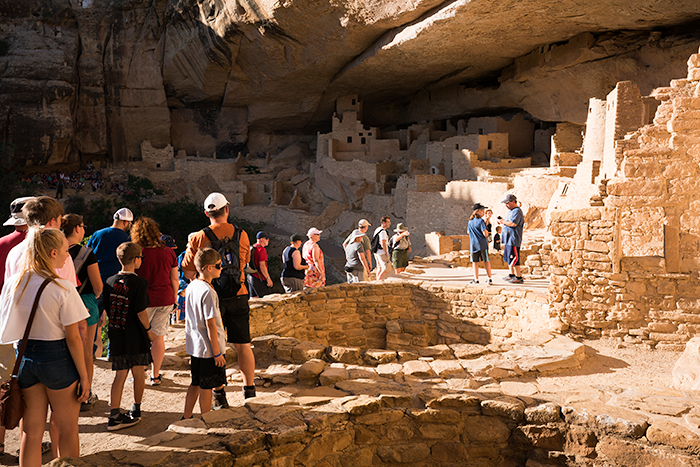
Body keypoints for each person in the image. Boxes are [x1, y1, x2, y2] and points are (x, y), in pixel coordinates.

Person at [0, 228, 90, 467]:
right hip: (57, 359)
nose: (66, 256)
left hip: (26, 358)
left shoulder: (13, 284)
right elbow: (73, 337)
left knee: (31, 431)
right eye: (64, 251)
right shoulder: (63, 288)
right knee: (67, 428)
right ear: (52, 253)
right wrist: (84, 375)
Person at [181, 192, 255, 406]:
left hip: (213, 296)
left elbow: (187, 266)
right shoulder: (242, 234)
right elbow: (246, 261)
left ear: (207, 213)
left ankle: (219, 394)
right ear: (227, 210)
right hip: (239, 293)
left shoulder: (198, 237)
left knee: (217, 346)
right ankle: (249, 389)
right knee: (243, 345)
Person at [105, 242, 156, 430]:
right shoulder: (140, 283)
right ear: (136, 260)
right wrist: (149, 330)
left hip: (117, 333)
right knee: (138, 372)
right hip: (135, 334)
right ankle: (136, 409)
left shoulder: (109, 281)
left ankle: (114, 414)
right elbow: (141, 311)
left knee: (120, 375)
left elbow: (107, 309)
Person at [0, 196, 32, 454]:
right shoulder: (39, 245)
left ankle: (0, 443)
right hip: (31, 321)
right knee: (28, 384)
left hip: (3, 318)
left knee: (3, 382)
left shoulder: (2, 244)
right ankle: (27, 444)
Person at [62, 214, 103, 410]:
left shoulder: (53, 251)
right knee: (86, 351)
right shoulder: (87, 254)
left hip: (58, 302)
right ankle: (85, 394)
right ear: (77, 228)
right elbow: (97, 286)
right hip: (85, 302)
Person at [132, 218, 178, 386]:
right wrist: (173, 298)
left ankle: (140, 373)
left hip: (142, 300)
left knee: (140, 336)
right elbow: (174, 278)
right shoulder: (168, 252)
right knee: (158, 338)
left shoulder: (137, 252)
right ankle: (155, 375)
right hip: (164, 298)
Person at [182, 248, 227, 419]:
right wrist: (217, 352)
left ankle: (186, 416)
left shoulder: (192, 285)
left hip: (196, 347)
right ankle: (206, 419)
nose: (221, 268)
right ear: (208, 268)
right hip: (208, 349)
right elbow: (211, 325)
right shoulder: (209, 292)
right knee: (207, 386)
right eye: (218, 265)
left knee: (195, 383)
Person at [86, 207, 133, 316]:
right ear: (126, 222)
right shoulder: (127, 240)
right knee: (115, 319)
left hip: (96, 281)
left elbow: (86, 254)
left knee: (94, 319)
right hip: (117, 285)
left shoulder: (97, 234)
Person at [498, 193, 525, 284]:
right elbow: (508, 222)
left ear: (513, 202)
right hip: (508, 239)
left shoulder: (517, 211)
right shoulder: (511, 211)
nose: (506, 205)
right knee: (509, 257)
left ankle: (518, 276)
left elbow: (513, 224)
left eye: (508, 203)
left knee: (514, 258)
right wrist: (502, 221)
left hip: (514, 239)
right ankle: (511, 274)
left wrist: (503, 222)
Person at [467, 203, 493, 285]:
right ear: (477, 212)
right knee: (486, 261)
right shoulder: (481, 221)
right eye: (482, 211)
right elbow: (485, 233)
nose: (483, 212)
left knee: (475, 262)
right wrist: (488, 233)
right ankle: (489, 278)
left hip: (473, 244)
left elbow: (468, 232)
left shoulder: (470, 221)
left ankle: (476, 279)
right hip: (482, 244)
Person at [246, 231, 274, 298]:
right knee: (266, 300)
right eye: (266, 238)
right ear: (262, 239)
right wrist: (268, 278)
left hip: (250, 276)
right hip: (259, 278)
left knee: (253, 299)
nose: (268, 240)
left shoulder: (252, 247)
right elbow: (262, 266)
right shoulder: (261, 249)